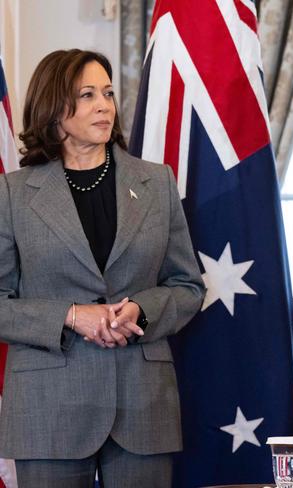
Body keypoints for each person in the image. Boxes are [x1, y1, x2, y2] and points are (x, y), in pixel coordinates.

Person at [0, 49, 206, 487]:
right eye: (88, 94)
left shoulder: (156, 183)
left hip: (142, 405)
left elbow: (188, 286)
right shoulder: (12, 194)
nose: (104, 105)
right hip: (48, 407)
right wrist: (71, 316)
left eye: (109, 93)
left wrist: (141, 310)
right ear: (55, 108)